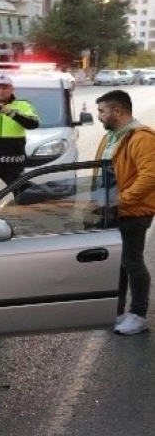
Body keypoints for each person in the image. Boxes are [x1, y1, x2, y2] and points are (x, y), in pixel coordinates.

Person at [94, 89, 155, 336]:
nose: (98, 116)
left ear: (117, 111)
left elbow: (149, 176)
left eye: (102, 111)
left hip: (133, 212)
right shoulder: (110, 137)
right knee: (118, 263)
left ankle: (138, 315)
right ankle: (117, 312)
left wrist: (120, 201)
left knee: (132, 261)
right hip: (111, 211)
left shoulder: (141, 137)